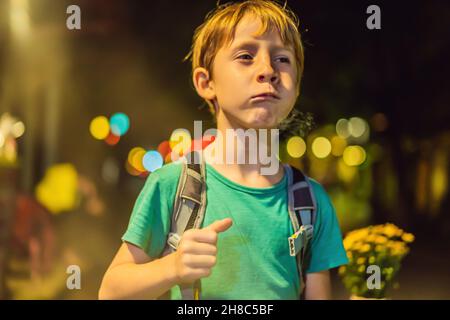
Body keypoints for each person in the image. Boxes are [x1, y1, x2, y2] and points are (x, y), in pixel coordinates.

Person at [99, 0, 348, 300]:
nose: (268, 70)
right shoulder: (171, 186)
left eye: (282, 59)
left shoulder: (312, 203)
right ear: (206, 83)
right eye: (246, 56)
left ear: (295, 86)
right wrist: (172, 268)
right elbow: (111, 292)